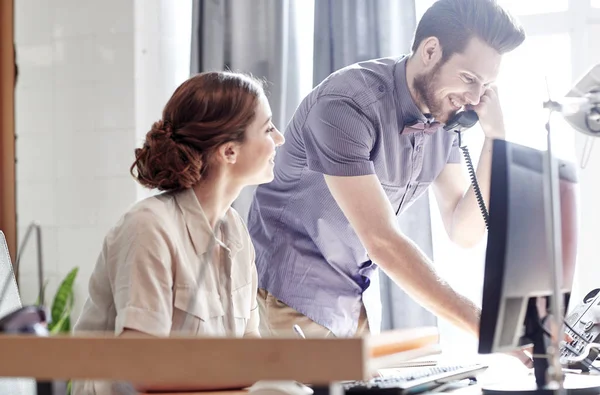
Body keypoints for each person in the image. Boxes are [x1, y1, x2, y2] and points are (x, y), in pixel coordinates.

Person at [247, 0, 525, 339]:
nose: (474, 97)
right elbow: (381, 240)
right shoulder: (347, 104)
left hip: (354, 297)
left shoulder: (444, 116)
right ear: (430, 50)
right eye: (468, 78)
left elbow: (463, 231)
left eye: (485, 86)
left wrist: (496, 139)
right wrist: (484, 326)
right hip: (290, 292)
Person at [72, 71, 285, 394]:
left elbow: (249, 347)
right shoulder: (148, 228)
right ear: (229, 152)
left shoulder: (235, 232)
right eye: (268, 128)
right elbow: (142, 374)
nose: (279, 139)